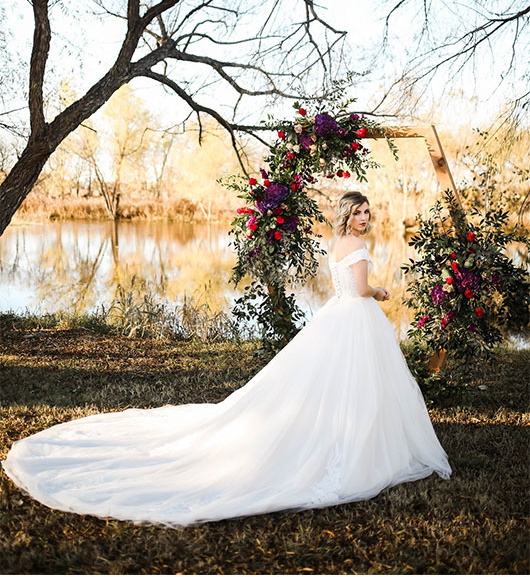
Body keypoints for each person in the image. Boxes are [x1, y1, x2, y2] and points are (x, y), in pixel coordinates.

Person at [2, 190, 451, 527]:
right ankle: (355, 443)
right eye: (359, 212)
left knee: (330, 383)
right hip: (354, 319)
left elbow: (340, 287)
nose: (364, 218)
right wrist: (381, 291)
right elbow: (357, 289)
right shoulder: (358, 249)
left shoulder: (333, 245)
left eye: (367, 212)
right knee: (358, 384)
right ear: (347, 216)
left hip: (336, 318)